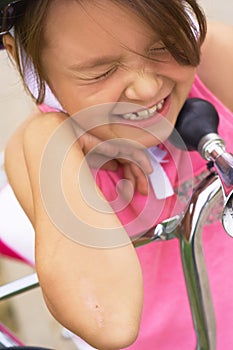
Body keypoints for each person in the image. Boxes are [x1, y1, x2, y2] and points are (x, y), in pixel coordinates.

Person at [1, 0, 233, 349]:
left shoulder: (214, 59)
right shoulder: (37, 150)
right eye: (101, 73)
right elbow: (110, 323)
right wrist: (48, 135)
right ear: (30, 66)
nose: (145, 89)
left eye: (164, 45)